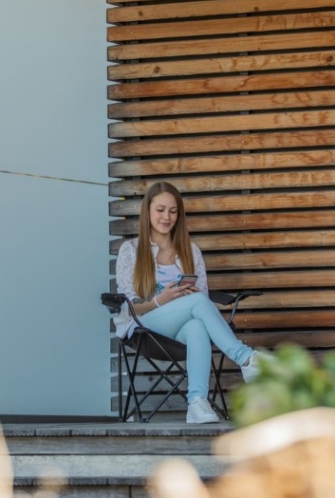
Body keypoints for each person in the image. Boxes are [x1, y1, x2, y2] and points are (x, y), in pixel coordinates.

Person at [115, 181, 270, 424]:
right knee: (197, 303)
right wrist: (161, 300)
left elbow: (202, 299)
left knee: (197, 326)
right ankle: (246, 358)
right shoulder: (131, 250)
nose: (167, 217)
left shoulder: (190, 251)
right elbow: (127, 308)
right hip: (145, 328)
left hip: (181, 327)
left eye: (173, 211)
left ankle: (197, 403)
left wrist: (190, 294)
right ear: (147, 211)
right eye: (160, 209)